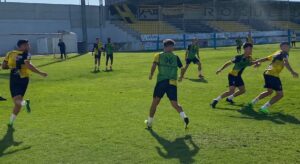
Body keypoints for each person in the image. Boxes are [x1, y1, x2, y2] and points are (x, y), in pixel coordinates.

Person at [145, 39, 189, 129]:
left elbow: (154, 65)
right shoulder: (176, 57)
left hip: (162, 81)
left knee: (155, 102)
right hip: (172, 83)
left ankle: (149, 122)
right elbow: (182, 68)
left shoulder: (158, 55)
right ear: (168, 46)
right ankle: (184, 116)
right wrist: (181, 76)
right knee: (175, 104)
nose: (173, 48)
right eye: (172, 46)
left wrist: (151, 74)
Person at [2, 40, 48, 126]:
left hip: (15, 78)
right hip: (24, 80)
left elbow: (4, 66)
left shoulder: (10, 53)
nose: (29, 46)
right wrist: (41, 73)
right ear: (21, 46)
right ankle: (11, 122)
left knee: (17, 101)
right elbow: (28, 65)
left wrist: (11, 66)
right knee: (17, 102)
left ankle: (25, 103)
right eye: (27, 45)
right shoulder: (26, 54)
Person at [247, 42, 298, 114]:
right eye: (285, 46)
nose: (287, 48)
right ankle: (264, 108)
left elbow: (266, 58)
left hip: (267, 73)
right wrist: (292, 72)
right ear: (281, 47)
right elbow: (285, 62)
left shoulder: (278, 52)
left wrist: (256, 61)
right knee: (280, 94)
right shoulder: (285, 53)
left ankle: (252, 103)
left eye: (288, 46)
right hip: (273, 75)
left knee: (269, 91)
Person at [211, 43, 259, 109]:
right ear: (245, 49)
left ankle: (229, 98)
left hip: (238, 76)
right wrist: (220, 69)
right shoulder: (238, 57)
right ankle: (216, 100)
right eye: (249, 48)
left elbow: (252, 62)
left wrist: (257, 63)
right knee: (231, 91)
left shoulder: (249, 58)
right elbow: (228, 63)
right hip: (232, 75)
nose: (251, 50)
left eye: (251, 48)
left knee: (242, 90)